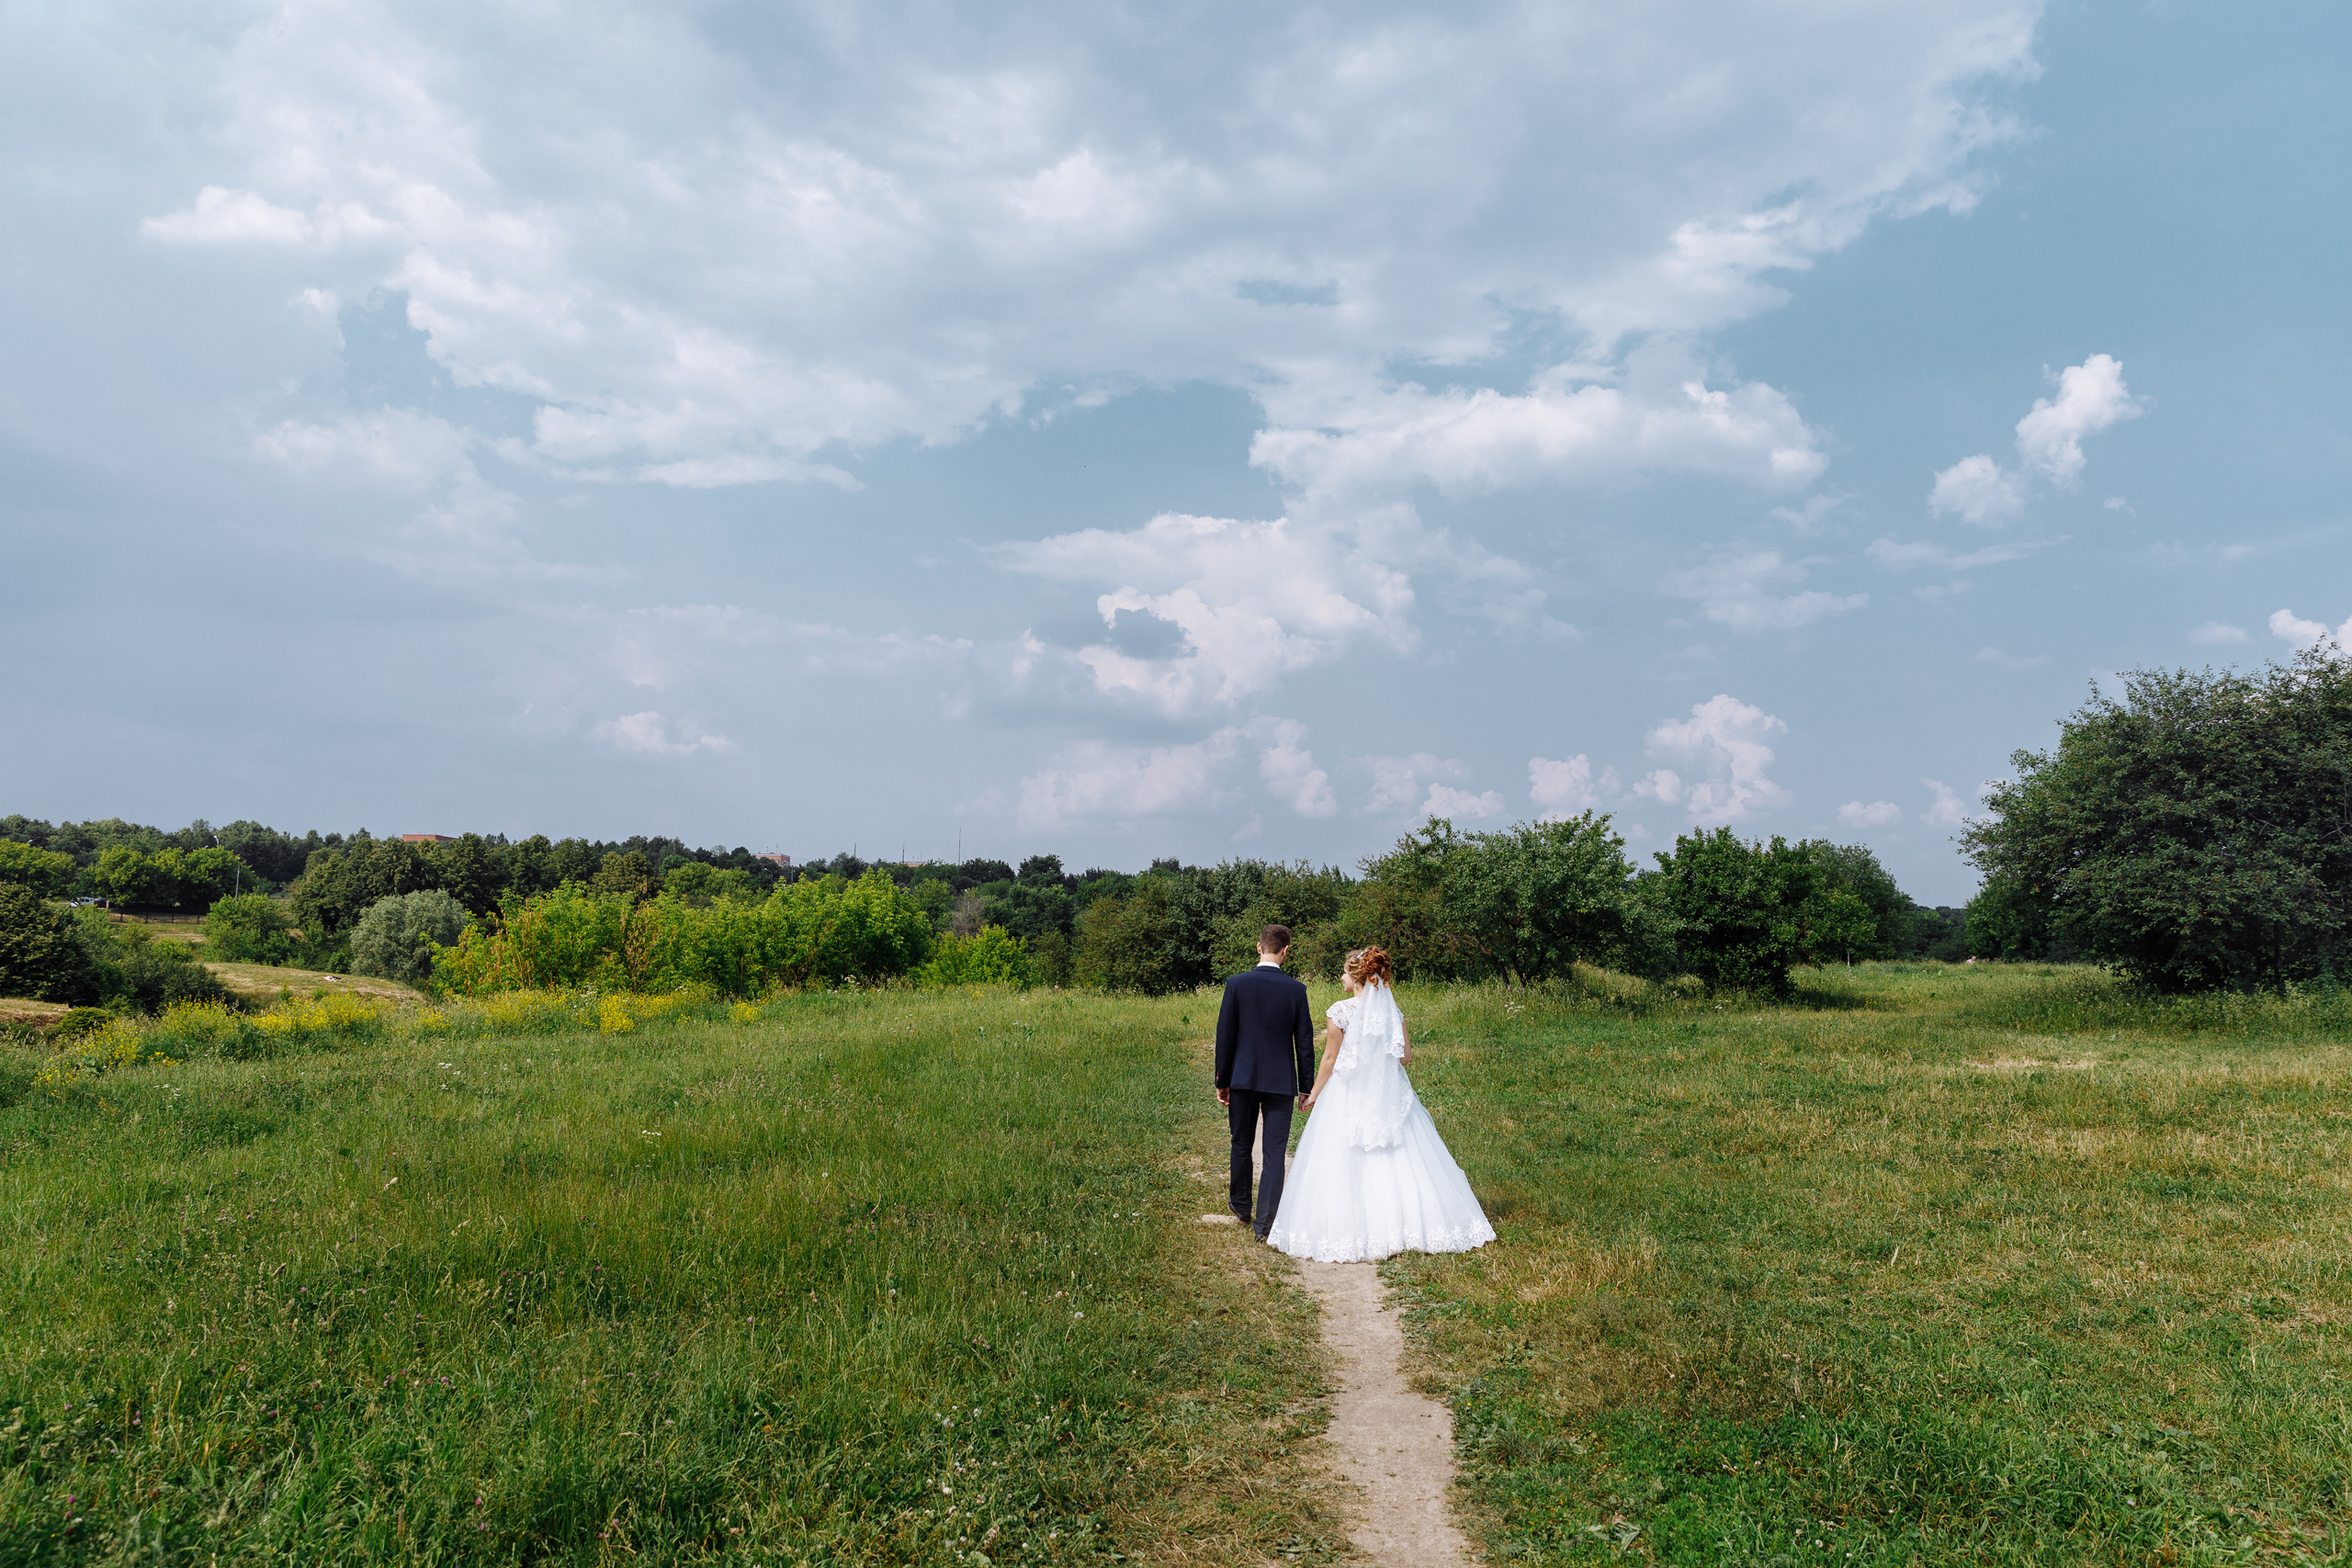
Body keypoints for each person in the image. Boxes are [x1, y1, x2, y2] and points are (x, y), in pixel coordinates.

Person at [1267, 946, 1495, 1262]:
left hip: (1348, 1094)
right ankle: (1409, 1224)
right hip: (1388, 1094)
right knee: (1405, 1155)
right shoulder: (1393, 1012)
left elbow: (1331, 1059)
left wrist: (1315, 1093)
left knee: (1342, 1157)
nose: (1342, 977)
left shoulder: (1340, 1012)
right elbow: (1405, 1057)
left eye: (1345, 972)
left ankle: (1356, 1226)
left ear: (1356, 976)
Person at [1213, 922, 1317, 1241]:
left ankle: (1242, 1206)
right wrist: (1305, 1087)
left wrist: (1222, 1079)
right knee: (1274, 1152)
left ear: (1258, 947)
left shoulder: (1236, 984)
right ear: (1286, 951)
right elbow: (1304, 1042)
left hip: (1242, 1079)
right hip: (1280, 1082)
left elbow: (1225, 1037)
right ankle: (1266, 1225)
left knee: (1241, 1144)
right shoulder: (1297, 990)